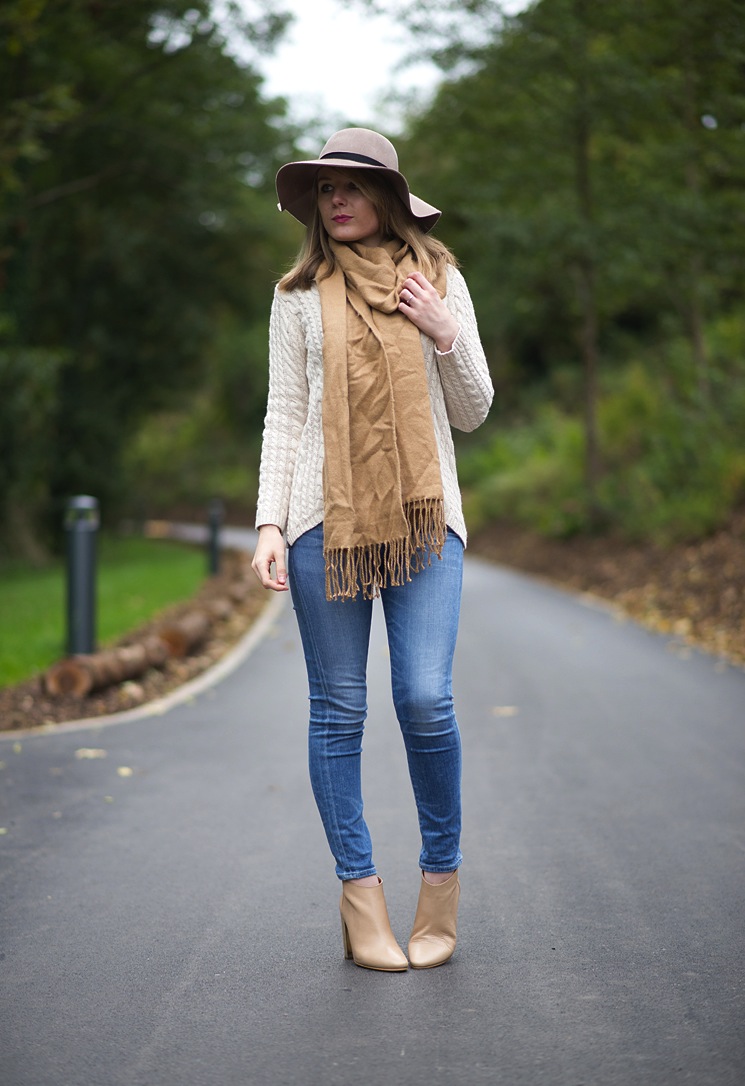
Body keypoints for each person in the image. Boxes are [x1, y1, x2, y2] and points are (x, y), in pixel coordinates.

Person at [252, 128, 493, 971]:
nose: (337, 200)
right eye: (323, 189)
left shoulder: (440, 281)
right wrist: (270, 524)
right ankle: (361, 903)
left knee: (425, 699)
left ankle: (440, 890)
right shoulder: (295, 295)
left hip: (427, 522)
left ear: (390, 197)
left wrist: (441, 332)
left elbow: (471, 411)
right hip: (328, 525)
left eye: (352, 187)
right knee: (339, 711)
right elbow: (285, 414)